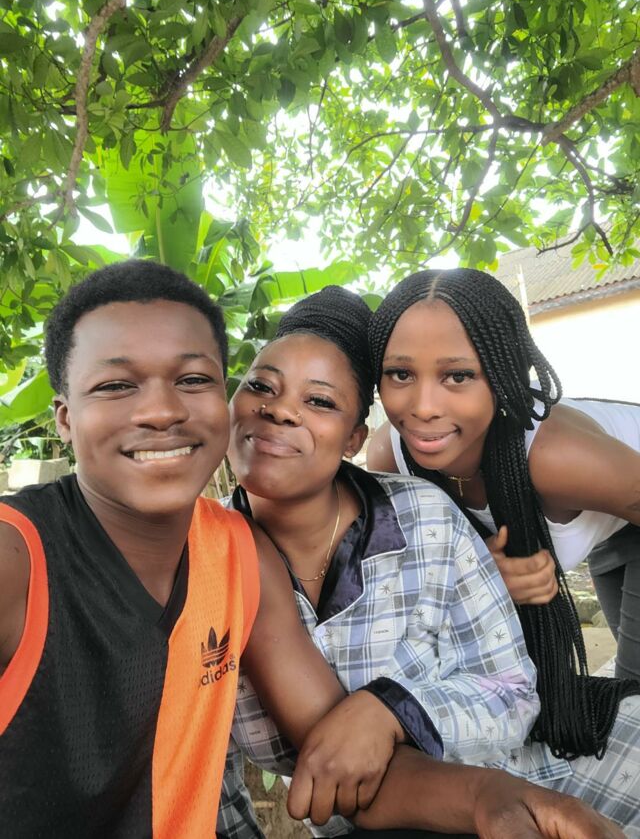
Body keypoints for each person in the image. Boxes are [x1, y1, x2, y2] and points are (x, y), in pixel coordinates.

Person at [0, 262, 616, 839]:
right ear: (64, 417)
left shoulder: (238, 555)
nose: (161, 410)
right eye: (115, 385)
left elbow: (333, 750)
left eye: (192, 380)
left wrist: (480, 789)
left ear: (353, 436)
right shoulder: (21, 554)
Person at [217, 286, 639, 838]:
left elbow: (510, 690)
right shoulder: (206, 563)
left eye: (319, 400)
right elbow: (197, 778)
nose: (279, 409)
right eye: (260, 385)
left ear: (352, 437)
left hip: (535, 761)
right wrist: (491, 578)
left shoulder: (432, 513)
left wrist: (395, 709)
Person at [366, 268, 640, 758]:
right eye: (401, 374)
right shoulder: (391, 458)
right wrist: (479, 583)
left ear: (503, 375)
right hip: (605, 525)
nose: (423, 407)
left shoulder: (556, 458)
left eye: (458, 376)